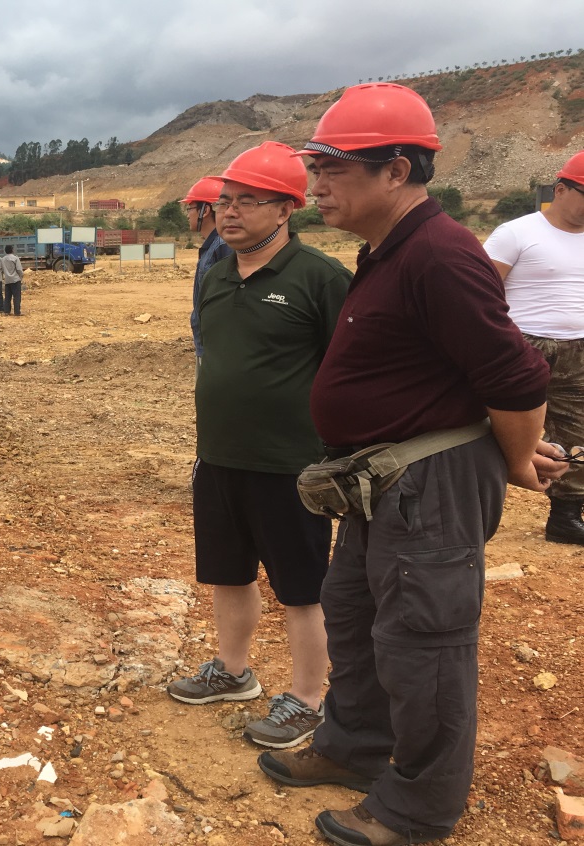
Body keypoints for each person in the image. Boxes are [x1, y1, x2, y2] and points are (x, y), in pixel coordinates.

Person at [259, 83, 563, 846]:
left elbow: (516, 377)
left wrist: (517, 458)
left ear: (395, 171)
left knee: (422, 642)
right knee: (353, 615)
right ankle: (353, 747)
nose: (314, 184)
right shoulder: (387, 248)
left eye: (332, 169)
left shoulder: (439, 254)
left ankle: (418, 809)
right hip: (382, 479)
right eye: (314, 168)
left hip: (425, 486)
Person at [166, 142, 351, 751]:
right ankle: (233, 671)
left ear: (286, 209)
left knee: (301, 588)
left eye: (249, 201)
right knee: (228, 575)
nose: (230, 211)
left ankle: (307, 698)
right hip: (219, 456)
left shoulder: (320, 278)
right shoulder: (216, 275)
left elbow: (349, 370)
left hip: (290, 464)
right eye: (225, 200)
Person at [485, 150, 584, 544]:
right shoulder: (516, 233)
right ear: (560, 190)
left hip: (578, 351)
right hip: (521, 347)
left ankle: (565, 516)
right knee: (493, 427)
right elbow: (480, 293)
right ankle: (473, 510)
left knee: (577, 430)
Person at [184, 176, 233, 366]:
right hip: (207, 344)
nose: (187, 215)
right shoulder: (213, 246)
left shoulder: (223, 246)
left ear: (204, 211)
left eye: (190, 208)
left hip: (217, 349)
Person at [1, 244, 24, 316]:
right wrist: (21, 277)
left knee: (7, 297)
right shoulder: (15, 258)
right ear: (12, 250)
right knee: (16, 297)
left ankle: (7, 311)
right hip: (15, 280)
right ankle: (17, 312)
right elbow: (19, 269)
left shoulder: (3, 259)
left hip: (7, 280)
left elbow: (1, 270)